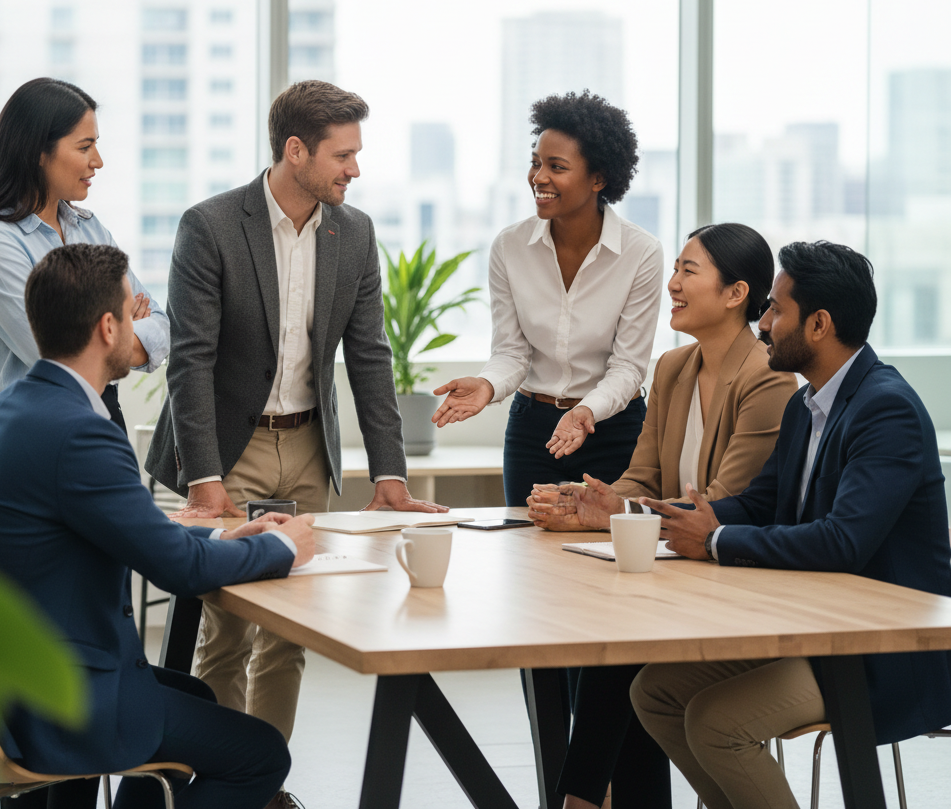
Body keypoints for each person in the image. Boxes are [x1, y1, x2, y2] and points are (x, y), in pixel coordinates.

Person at [146, 79, 446, 780]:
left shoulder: (355, 232)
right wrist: (206, 477)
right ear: (295, 150)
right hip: (230, 449)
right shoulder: (212, 224)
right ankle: (213, 781)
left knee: (293, 631)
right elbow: (191, 358)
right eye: (343, 155)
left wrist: (391, 476)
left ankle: (263, 782)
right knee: (229, 626)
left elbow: (370, 357)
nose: (355, 169)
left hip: (310, 448)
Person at [0, 244, 317, 809]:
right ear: (106, 327)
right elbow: (180, 569)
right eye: (134, 312)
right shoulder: (80, 433)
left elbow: (134, 530)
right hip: (58, 703)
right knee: (261, 754)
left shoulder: (3, 413)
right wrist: (279, 548)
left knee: (193, 694)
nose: (142, 325)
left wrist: (222, 535)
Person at [630, 241, 951, 809]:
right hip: (816, 628)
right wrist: (681, 522)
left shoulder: (886, 409)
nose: (763, 325)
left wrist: (715, 541)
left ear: (820, 324)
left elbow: (843, 540)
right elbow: (760, 504)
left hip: (880, 649)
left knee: (715, 721)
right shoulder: (806, 407)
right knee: (654, 691)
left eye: (775, 309)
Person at [526, 223, 798, 809]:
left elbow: (723, 503)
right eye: (673, 269)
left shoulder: (770, 378)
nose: (671, 284)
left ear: (736, 294)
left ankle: (577, 800)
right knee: (617, 635)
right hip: (677, 572)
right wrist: (592, 505)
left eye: (688, 272)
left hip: (735, 578)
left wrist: (616, 515)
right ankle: (587, 799)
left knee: (622, 642)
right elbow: (641, 479)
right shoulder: (673, 367)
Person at [432, 90, 664, 507]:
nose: (539, 177)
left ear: (599, 179)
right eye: (536, 163)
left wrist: (585, 412)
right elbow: (512, 352)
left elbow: (629, 366)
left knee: (609, 553)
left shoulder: (641, 252)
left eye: (557, 167)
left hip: (612, 429)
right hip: (532, 428)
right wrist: (488, 385)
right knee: (527, 552)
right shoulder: (510, 247)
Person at [0, 77, 168, 427]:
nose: (98, 161)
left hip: (104, 420)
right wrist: (126, 326)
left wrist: (103, 337)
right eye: (84, 147)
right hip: (35, 433)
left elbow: (161, 326)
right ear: (38, 153)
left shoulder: (90, 229)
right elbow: (60, 361)